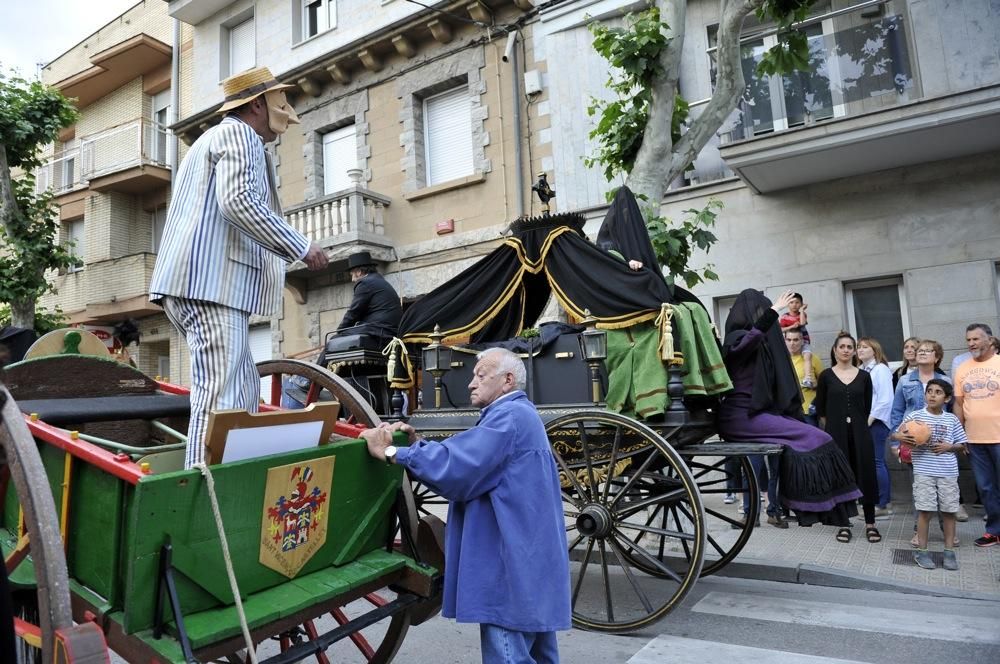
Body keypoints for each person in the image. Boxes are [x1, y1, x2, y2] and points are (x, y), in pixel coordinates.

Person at [149, 66, 329, 468]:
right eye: (278, 99)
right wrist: (301, 245)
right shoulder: (239, 134)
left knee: (243, 392)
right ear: (257, 104)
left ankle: (228, 479)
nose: (286, 108)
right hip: (210, 285)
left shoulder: (208, 141)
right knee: (222, 397)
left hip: (201, 284)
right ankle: (205, 492)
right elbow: (240, 202)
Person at [361, 348, 570, 663]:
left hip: (508, 563)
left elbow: (458, 467)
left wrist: (392, 453)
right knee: (538, 652)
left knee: (508, 651)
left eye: (481, 376)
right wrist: (418, 446)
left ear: (507, 381)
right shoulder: (517, 416)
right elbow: (471, 458)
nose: (471, 383)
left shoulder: (509, 418)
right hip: (527, 561)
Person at [717, 289, 862, 530]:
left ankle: (825, 506)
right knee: (816, 436)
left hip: (754, 416)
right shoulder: (736, 340)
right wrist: (773, 312)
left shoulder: (759, 345)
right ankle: (816, 505)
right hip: (739, 418)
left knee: (816, 437)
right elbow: (748, 342)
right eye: (758, 311)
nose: (761, 314)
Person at [893, 379, 968, 570]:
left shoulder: (951, 419)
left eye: (938, 392)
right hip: (924, 472)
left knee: (949, 512)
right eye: (929, 391)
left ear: (947, 398)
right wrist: (899, 436)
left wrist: (949, 446)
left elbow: (963, 445)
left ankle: (949, 552)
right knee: (925, 511)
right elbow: (896, 434)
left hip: (948, 473)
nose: (932, 395)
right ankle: (922, 552)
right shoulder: (915, 417)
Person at [814, 332, 881, 544]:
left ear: (854, 351)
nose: (845, 350)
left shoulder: (864, 376)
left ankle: (870, 523)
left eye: (849, 347)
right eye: (841, 346)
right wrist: (835, 426)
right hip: (836, 434)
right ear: (835, 350)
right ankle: (843, 524)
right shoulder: (825, 376)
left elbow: (867, 405)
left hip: (861, 433)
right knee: (840, 477)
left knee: (866, 475)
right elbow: (821, 409)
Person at [952, 323, 1000, 548]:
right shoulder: (963, 368)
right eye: (968, 340)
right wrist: (959, 436)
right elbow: (959, 405)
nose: (971, 343)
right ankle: (994, 531)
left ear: (990, 340)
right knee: (986, 487)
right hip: (974, 440)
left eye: (976, 339)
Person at [857, 337, 894, 517]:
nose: (860, 350)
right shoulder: (860, 370)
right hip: (864, 421)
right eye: (859, 347)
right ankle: (873, 500)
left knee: (877, 462)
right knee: (869, 463)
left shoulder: (880, 369)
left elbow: (885, 399)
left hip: (876, 422)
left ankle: (883, 503)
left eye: (865, 347)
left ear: (875, 350)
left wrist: (870, 420)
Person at [335, 251, 403, 341]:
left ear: (359, 272)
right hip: (390, 329)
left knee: (335, 340)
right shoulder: (378, 280)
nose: (352, 280)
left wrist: (340, 330)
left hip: (379, 329)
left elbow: (354, 312)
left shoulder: (364, 283)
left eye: (352, 275)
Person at [785, 328, 823, 426]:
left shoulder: (812, 359)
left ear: (802, 341)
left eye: (795, 340)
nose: (792, 343)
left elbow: (826, 383)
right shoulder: (781, 359)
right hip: (786, 410)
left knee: (812, 440)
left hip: (807, 411)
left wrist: (815, 384)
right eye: (788, 340)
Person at [779, 293, 815, 388]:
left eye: (797, 302)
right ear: (787, 304)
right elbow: (781, 329)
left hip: (804, 340)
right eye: (791, 302)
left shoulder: (802, 314)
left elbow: (802, 323)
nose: (794, 305)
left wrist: (802, 310)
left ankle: (807, 378)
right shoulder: (784, 316)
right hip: (790, 342)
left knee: (807, 356)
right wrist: (791, 326)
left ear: (801, 304)